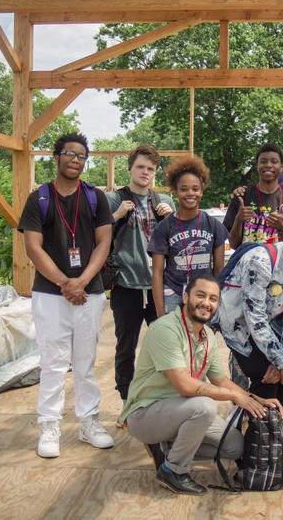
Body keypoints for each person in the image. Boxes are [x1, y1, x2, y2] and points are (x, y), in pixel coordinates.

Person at [118, 274, 283, 495]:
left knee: (235, 446)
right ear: (185, 297)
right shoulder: (165, 329)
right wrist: (233, 397)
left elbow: (221, 380)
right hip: (146, 413)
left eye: (213, 298)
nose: (206, 303)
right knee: (204, 406)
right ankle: (173, 470)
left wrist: (256, 399)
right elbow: (185, 387)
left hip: (181, 411)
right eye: (200, 295)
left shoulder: (207, 336)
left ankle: (165, 448)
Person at [18, 132, 115, 458]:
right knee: (53, 364)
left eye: (81, 156)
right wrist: (65, 283)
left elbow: (103, 242)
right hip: (50, 294)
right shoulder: (39, 199)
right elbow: (33, 247)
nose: (75, 160)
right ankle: (49, 425)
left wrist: (83, 280)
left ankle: (89, 422)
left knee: (85, 363)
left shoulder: (95, 198)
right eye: (69, 154)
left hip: (89, 293)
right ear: (56, 157)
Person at [218, 217, 283, 412]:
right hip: (239, 325)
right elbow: (254, 318)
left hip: (273, 326)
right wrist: (280, 361)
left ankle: (271, 425)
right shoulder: (261, 262)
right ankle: (251, 432)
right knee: (265, 374)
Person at [106, 144, 175, 405]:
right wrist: (117, 215)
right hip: (126, 284)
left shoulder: (164, 202)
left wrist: (173, 219)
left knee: (165, 345)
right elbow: (98, 235)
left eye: (150, 169)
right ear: (130, 168)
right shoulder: (114, 199)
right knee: (126, 347)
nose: (145, 172)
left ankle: (162, 397)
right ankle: (127, 400)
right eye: (140, 167)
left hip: (159, 285)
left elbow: (178, 241)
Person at [148, 155, 229, 318]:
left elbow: (219, 270)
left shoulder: (213, 225)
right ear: (175, 191)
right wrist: (160, 311)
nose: (190, 193)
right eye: (184, 189)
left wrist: (216, 307)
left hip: (203, 297)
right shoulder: (164, 228)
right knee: (175, 342)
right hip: (173, 294)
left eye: (195, 188)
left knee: (200, 342)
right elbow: (157, 273)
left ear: (201, 191)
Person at [224, 142, 283, 248]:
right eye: (263, 161)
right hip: (246, 263)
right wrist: (238, 220)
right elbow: (233, 245)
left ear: (281, 167)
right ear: (257, 166)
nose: (268, 165)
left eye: (274, 162)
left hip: (275, 264)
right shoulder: (241, 198)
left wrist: (282, 228)